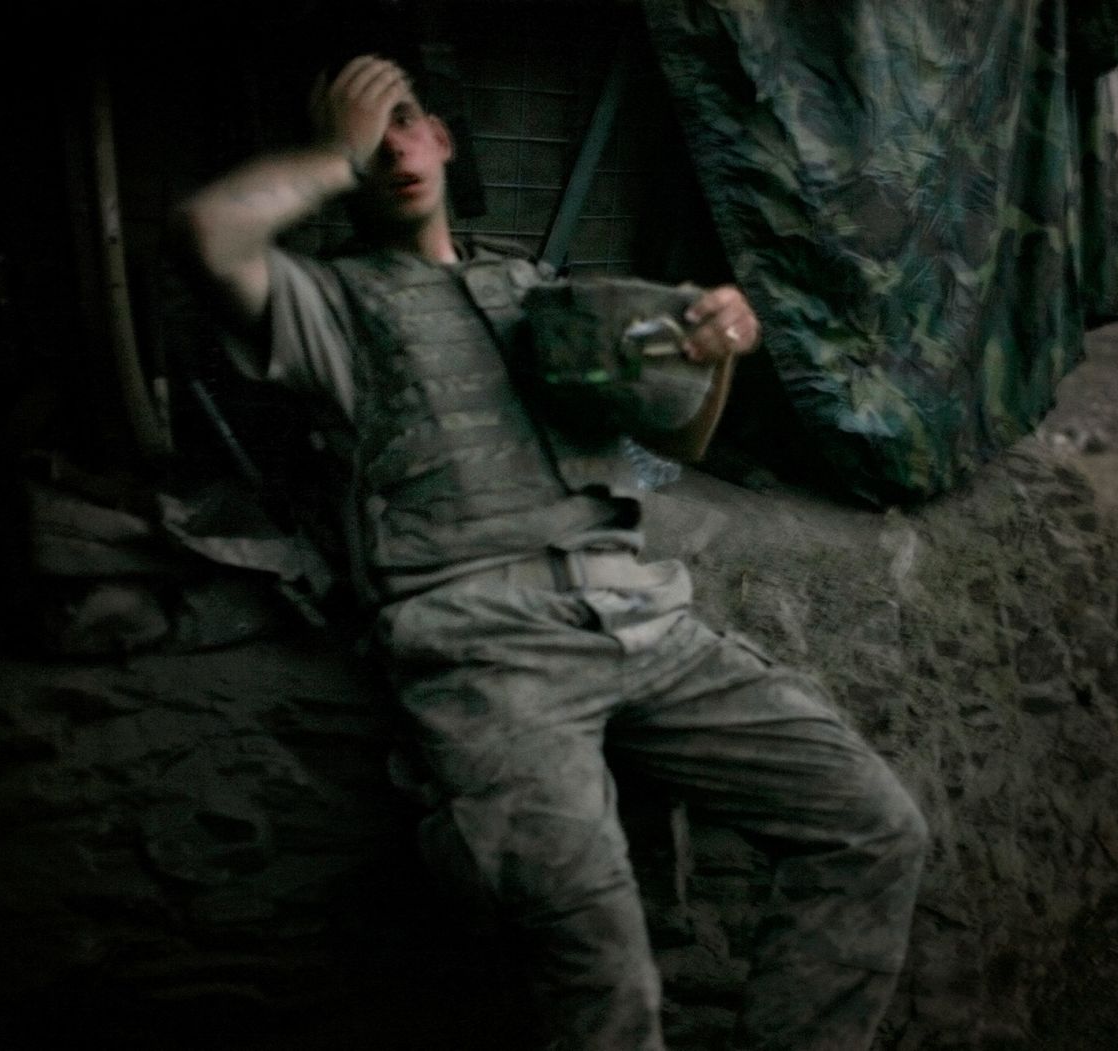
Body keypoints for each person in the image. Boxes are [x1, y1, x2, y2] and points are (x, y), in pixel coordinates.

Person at [173, 54, 928, 1051]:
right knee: (595, 957)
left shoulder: (538, 293)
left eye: (403, 121)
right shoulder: (332, 306)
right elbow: (207, 233)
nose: (390, 146)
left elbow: (653, 458)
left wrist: (708, 355)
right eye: (363, 132)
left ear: (443, 137)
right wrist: (333, 149)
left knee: (875, 825)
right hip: (488, 655)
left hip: (644, 621)